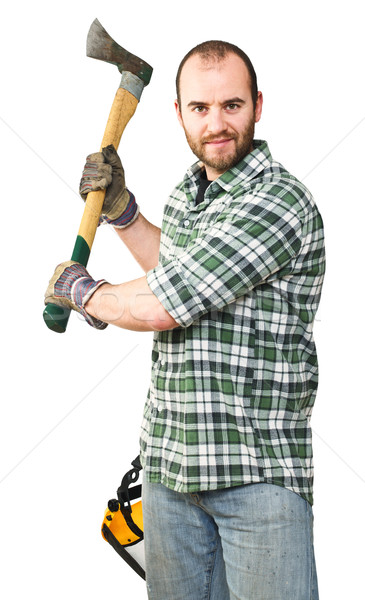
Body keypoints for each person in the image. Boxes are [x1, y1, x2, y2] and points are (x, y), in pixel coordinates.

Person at [45, 40, 325, 599]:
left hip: (256, 477)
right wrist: (123, 211)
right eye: (200, 108)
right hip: (171, 470)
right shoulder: (188, 195)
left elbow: (166, 303)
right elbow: (176, 269)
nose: (216, 123)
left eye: (232, 105)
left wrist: (82, 290)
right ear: (179, 113)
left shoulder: (278, 201)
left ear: (258, 105)